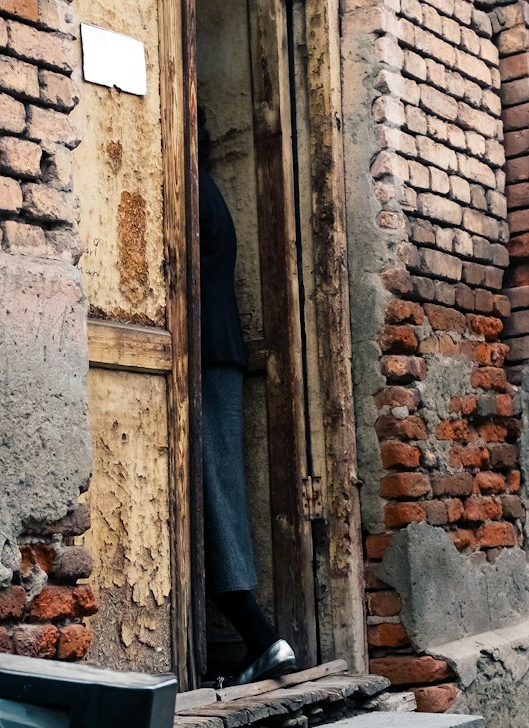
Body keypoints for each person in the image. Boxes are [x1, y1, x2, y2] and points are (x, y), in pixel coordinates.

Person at [197, 107, 297, 687]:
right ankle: (257, 641)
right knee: (217, 492)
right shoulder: (210, 191)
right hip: (218, 354)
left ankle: (259, 637)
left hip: (207, 355)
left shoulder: (190, 192)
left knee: (216, 495)